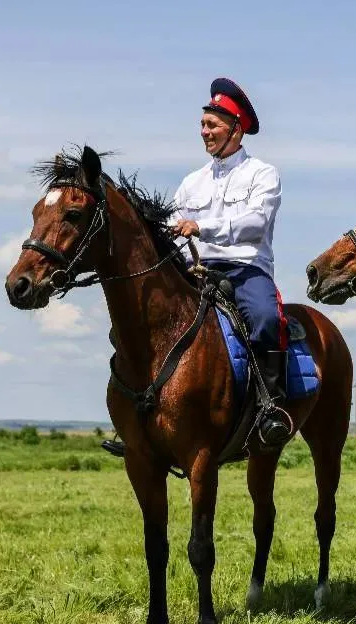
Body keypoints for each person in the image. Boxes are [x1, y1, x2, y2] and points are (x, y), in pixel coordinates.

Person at [102, 77, 289, 456]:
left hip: (244, 269)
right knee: (134, 323)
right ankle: (135, 420)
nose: (204, 132)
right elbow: (171, 231)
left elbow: (255, 225)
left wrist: (202, 227)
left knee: (266, 318)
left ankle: (270, 407)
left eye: (212, 125)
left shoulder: (262, 174)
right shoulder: (191, 182)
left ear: (236, 129)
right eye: (202, 125)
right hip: (195, 270)